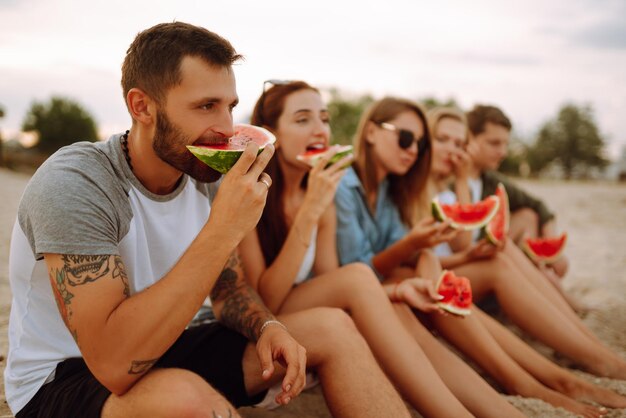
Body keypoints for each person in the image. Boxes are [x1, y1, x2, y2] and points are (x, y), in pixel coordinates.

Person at [3, 22, 411, 418]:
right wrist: (224, 228)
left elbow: (229, 291)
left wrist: (267, 326)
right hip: (66, 378)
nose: (226, 128)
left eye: (230, 106)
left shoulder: (204, 172)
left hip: (171, 343)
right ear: (141, 106)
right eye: (205, 107)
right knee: (186, 398)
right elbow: (113, 363)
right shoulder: (76, 184)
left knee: (331, 328)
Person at [236, 80, 526, 417]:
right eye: (303, 120)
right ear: (271, 133)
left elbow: (332, 282)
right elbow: (265, 301)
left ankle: (503, 409)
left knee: (390, 298)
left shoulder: (321, 191)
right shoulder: (254, 194)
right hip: (265, 321)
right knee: (361, 277)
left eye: (325, 119)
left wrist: (396, 290)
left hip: (309, 303)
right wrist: (310, 211)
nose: (320, 130)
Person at [334, 97, 624, 416]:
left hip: (398, 281)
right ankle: (553, 376)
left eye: (419, 142)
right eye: (438, 140)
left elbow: (416, 252)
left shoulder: (392, 188)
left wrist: (430, 259)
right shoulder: (361, 186)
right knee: (480, 271)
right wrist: (431, 255)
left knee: (484, 265)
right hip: (370, 289)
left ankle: (573, 367)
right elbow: (367, 263)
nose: (414, 149)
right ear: (372, 132)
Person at [465, 104, 569, 279]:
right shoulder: (451, 181)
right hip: (471, 264)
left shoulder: (491, 180)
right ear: (469, 138)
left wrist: (549, 245)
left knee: (528, 215)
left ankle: (564, 299)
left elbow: (539, 206)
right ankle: (571, 303)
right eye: (494, 143)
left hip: (497, 255)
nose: (503, 152)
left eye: (506, 144)